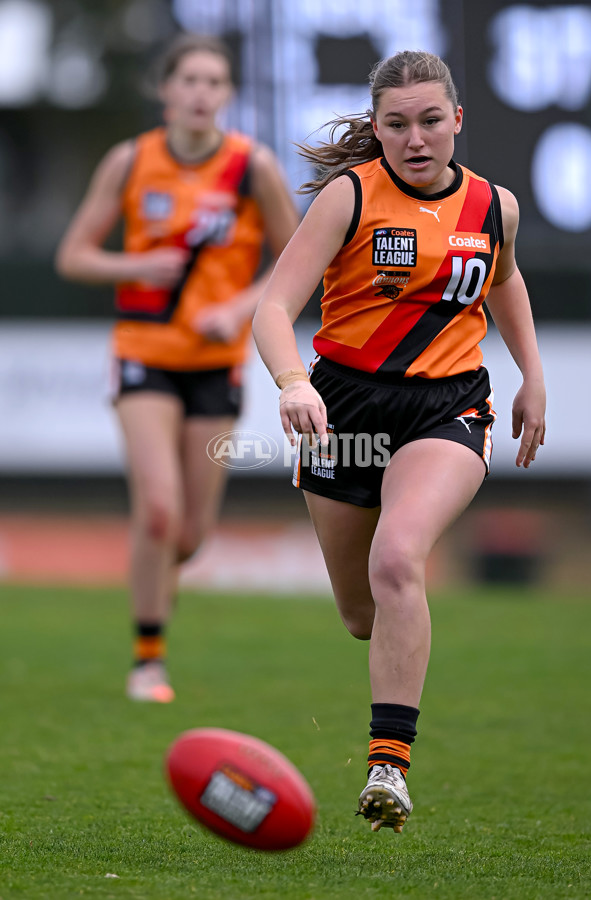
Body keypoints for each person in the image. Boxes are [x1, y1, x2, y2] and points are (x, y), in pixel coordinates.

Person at [252, 50, 546, 833]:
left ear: (457, 119)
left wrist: (533, 376)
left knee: (398, 558)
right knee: (360, 613)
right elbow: (273, 309)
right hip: (342, 410)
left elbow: (504, 278)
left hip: (449, 408)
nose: (415, 138)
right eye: (396, 124)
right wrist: (293, 383)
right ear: (377, 128)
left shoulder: (495, 207)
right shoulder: (349, 198)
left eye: (428, 120)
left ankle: (390, 768)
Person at [55, 34, 299, 702]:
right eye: (188, 79)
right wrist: (135, 265)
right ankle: (147, 658)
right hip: (144, 354)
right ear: (165, 90)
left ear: (227, 94)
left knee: (189, 536)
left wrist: (242, 305)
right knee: (159, 512)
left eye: (214, 82)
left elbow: (296, 257)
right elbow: (73, 255)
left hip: (215, 364)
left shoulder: (254, 168)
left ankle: (156, 599)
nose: (200, 93)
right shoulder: (132, 161)